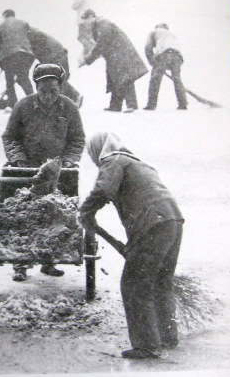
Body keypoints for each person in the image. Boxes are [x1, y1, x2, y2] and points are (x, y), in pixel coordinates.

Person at [79, 132, 184, 359]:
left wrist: (85, 211)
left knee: (135, 284)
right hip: (172, 221)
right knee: (160, 282)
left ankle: (146, 345)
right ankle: (167, 336)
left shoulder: (113, 160)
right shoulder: (138, 162)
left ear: (98, 150)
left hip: (152, 224)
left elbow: (103, 190)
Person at [2, 63, 85, 282]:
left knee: (56, 213)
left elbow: (77, 139)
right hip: (26, 168)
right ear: (36, 87)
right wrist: (17, 158)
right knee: (22, 214)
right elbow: (10, 137)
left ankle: (50, 260)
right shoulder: (22, 106)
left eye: (53, 91)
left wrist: (69, 160)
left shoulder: (69, 108)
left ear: (61, 88)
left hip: (57, 169)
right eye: (43, 91)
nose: (48, 96)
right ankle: (20, 261)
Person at [79, 10, 148, 113]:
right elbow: (100, 46)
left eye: (86, 20)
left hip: (120, 52)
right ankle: (115, 105)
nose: (85, 24)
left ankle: (132, 105)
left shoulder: (103, 23)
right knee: (115, 78)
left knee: (125, 77)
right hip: (114, 54)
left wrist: (88, 60)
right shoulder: (97, 26)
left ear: (92, 17)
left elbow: (102, 42)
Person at [27, 27, 83, 107]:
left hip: (56, 57)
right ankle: (73, 98)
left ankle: (74, 97)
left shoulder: (35, 35)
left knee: (57, 80)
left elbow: (37, 52)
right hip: (57, 56)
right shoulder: (34, 35)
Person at [0, 9, 35, 109]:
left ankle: (12, 103)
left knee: (9, 80)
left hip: (8, 56)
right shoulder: (24, 23)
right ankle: (34, 101)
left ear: (4, 16)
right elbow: (31, 38)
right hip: (26, 54)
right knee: (24, 77)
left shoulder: (0, 27)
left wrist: (1, 61)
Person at [144, 23, 187, 110]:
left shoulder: (154, 32)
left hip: (163, 55)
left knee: (155, 79)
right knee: (177, 80)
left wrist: (152, 62)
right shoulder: (172, 34)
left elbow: (147, 47)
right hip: (177, 57)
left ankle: (151, 105)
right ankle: (183, 103)